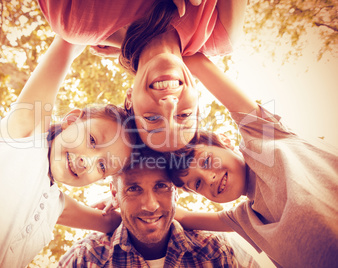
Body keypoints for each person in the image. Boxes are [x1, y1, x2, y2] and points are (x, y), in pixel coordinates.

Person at [0, 36, 136, 267]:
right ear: (71, 121)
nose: (87, 162)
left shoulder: (56, 206)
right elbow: (69, 41)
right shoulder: (25, 135)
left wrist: (120, 196)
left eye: (102, 166)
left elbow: (121, 222)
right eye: (92, 140)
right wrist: (127, 44)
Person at [165, 53, 338, 267]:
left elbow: (198, 64)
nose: (208, 178)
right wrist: (116, 199)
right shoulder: (246, 220)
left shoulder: (263, 139)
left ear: (226, 142)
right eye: (197, 184)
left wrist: (141, 55)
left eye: (207, 161)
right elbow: (180, 216)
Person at [37, 0, 247, 152]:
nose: (169, 104)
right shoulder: (221, 32)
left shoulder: (74, 19)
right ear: (198, 99)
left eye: (152, 118)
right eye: (184, 116)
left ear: (130, 99)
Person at [58, 157, 260, 267]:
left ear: (176, 192)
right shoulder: (85, 259)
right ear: (114, 193)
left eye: (161, 186)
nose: (150, 206)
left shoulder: (215, 252)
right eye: (133, 189)